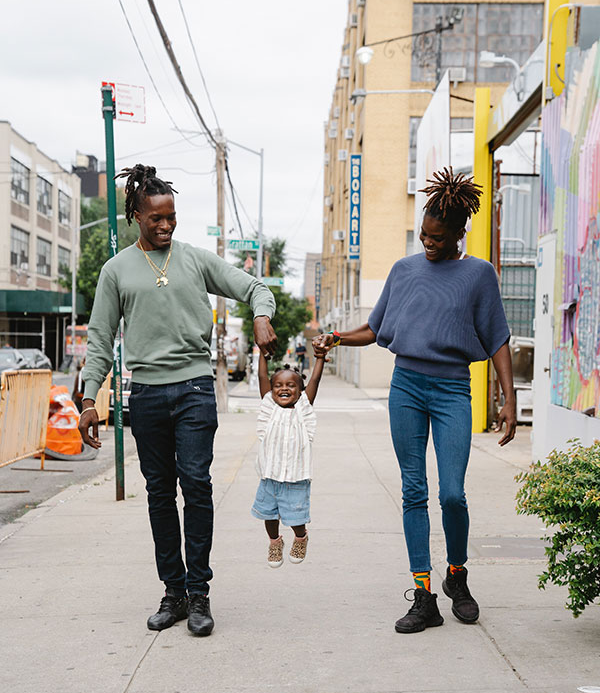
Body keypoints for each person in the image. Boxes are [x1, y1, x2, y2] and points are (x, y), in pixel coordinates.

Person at [313, 167, 516, 634]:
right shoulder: (404, 271)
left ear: (460, 233)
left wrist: (508, 398)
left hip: (451, 391)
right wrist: (337, 338)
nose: (428, 243)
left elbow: (498, 339)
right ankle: (423, 595)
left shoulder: (478, 275)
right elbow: (376, 328)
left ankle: (457, 577)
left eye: (437, 237)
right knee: (413, 490)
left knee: (452, 493)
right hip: (406, 385)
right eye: (424, 235)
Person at [78, 164, 277, 637]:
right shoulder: (116, 270)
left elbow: (254, 287)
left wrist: (261, 317)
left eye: (171, 217)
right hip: (145, 394)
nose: (166, 225)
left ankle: (200, 592)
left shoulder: (194, 260)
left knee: (197, 485)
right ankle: (174, 592)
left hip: (192, 389)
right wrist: (89, 398)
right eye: (156, 219)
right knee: (159, 494)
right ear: (137, 217)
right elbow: (101, 338)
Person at [252, 351, 324, 567]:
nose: (284, 388)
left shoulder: (303, 409)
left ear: (300, 391)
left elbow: (314, 380)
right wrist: (262, 354)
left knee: (296, 518)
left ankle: (301, 537)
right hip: (269, 476)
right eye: (278, 385)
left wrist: (320, 357)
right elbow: (262, 378)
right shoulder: (269, 407)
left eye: (291, 385)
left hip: (296, 478)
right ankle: (275, 542)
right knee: (269, 515)